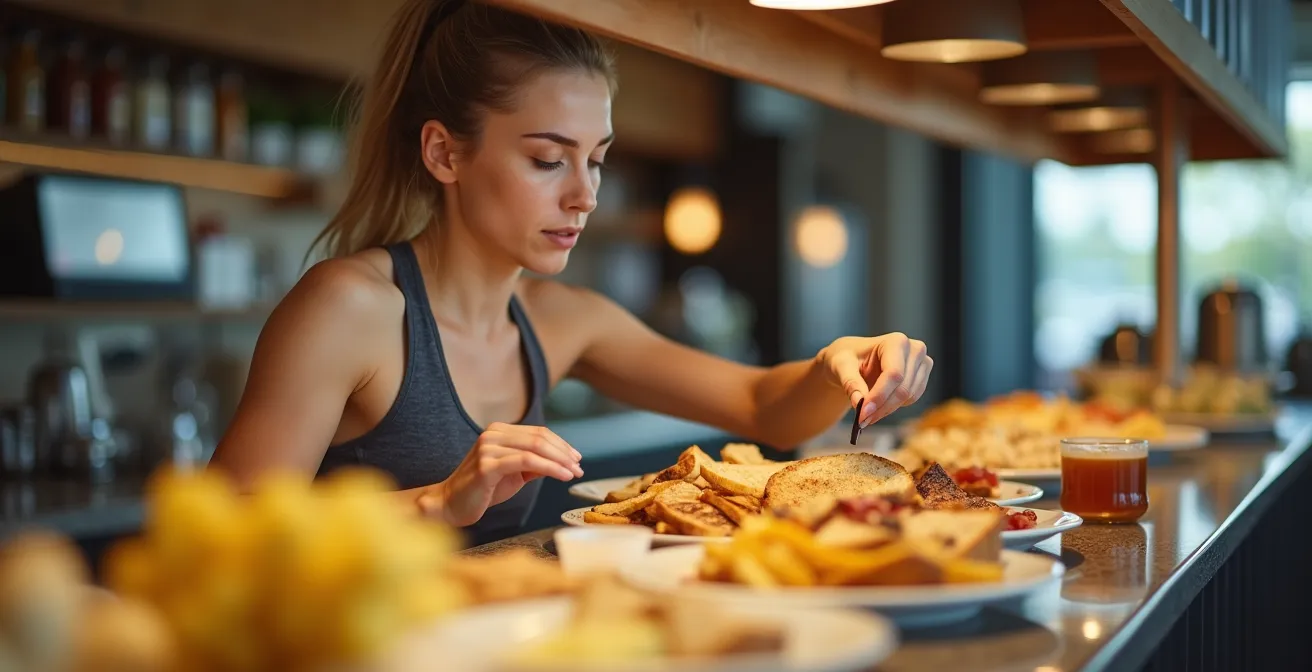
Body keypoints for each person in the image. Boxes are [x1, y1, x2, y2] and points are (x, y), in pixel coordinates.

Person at [210, 0, 933, 540]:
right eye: (548, 159)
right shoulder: (352, 309)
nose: (583, 195)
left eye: (597, 159)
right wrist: (436, 500)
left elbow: (759, 407)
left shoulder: (562, 321)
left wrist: (839, 364)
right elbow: (222, 534)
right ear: (444, 153)